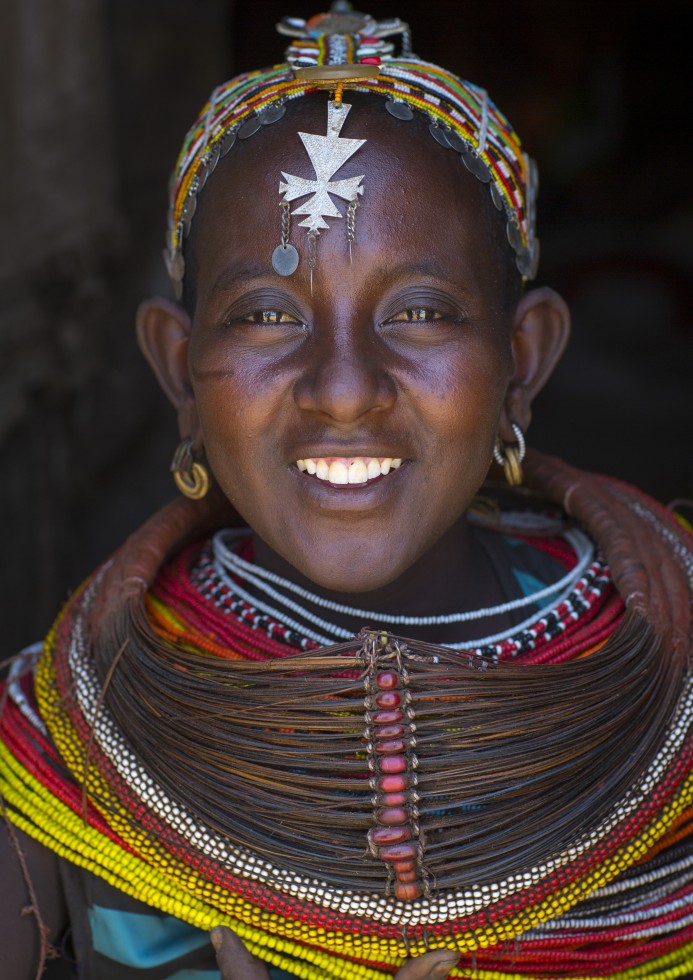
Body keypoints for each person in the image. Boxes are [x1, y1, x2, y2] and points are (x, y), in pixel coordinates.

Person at [1, 5, 692, 979]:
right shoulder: (55, 758)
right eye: (267, 312)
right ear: (179, 367)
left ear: (522, 360)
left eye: (418, 310)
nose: (342, 386)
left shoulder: (677, 696)